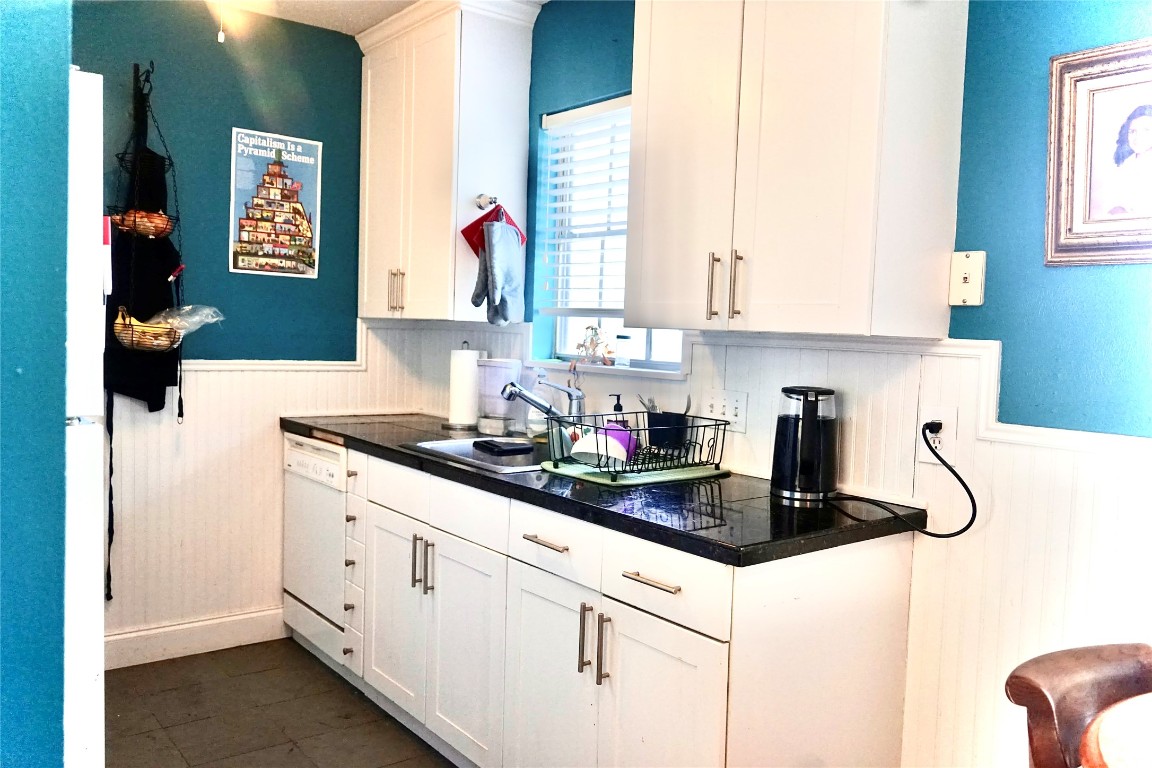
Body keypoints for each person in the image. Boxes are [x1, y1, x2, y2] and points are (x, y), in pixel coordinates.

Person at [1103, 104, 1152, 217]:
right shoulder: (1124, 166)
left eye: (1146, 130)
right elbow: (1112, 205)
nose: (1137, 137)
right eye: (1133, 131)